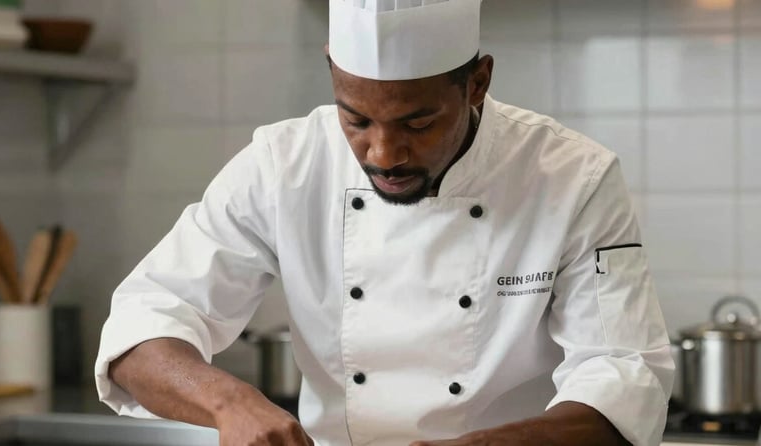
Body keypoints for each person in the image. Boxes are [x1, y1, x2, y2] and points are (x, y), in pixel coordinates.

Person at [96, 1, 674, 445]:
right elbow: (143, 326)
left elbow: (624, 373)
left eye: (418, 122)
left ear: (477, 84)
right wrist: (227, 403)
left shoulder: (573, 176)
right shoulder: (284, 164)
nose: (382, 153)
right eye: (357, 119)